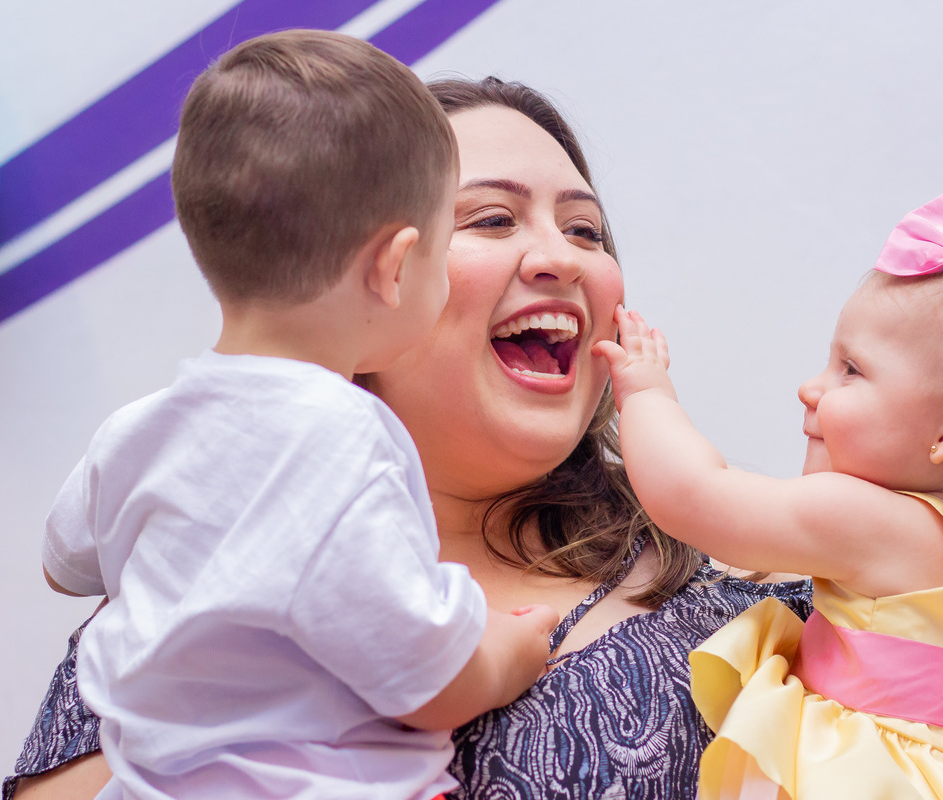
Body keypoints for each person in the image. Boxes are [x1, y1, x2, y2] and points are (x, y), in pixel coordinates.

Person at [4, 76, 812, 800]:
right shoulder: (190, 588)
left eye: (587, 232)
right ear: (385, 271)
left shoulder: (746, 597)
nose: (560, 258)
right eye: (492, 218)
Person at [36, 34, 558, 800]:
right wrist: (509, 650)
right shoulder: (343, 441)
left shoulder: (134, 433)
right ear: (393, 265)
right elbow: (425, 684)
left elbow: (62, 567)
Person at [596, 192, 943, 798]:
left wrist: (646, 394)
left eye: (850, 369)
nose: (811, 388)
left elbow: (695, 496)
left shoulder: (875, 523)